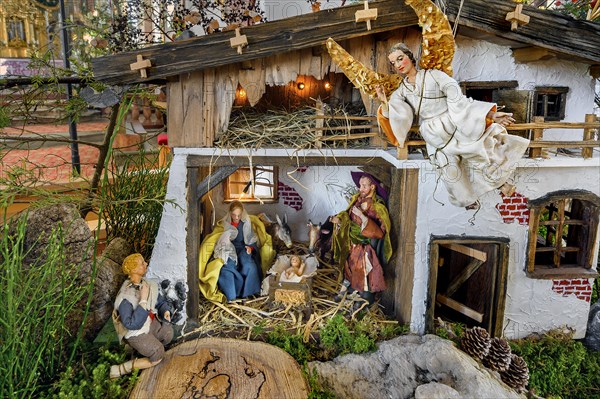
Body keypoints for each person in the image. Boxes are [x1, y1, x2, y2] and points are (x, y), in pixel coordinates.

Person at [375, 43, 530, 209]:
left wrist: (489, 115)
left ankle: (501, 184)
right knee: (446, 166)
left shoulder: (434, 76)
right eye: (393, 63)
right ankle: (466, 199)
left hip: (452, 122)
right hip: (432, 133)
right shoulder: (402, 91)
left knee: (476, 151)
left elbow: (458, 99)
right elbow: (397, 113)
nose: (398, 65)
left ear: (410, 57)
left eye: (400, 58)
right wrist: (385, 102)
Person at [110, 253, 174, 379]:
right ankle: (121, 369)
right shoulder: (125, 297)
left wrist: (165, 310)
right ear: (133, 269)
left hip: (150, 323)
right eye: (142, 263)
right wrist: (143, 299)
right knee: (157, 353)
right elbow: (131, 324)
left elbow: (158, 300)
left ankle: (144, 349)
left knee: (167, 334)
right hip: (137, 333)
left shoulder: (146, 284)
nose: (146, 264)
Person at [331, 172, 392, 302]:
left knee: (364, 270)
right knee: (350, 268)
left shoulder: (378, 206)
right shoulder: (357, 201)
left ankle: (365, 296)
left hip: (366, 246)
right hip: (353, 244)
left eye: (364, 186)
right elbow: (348, 217)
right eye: (360, 186)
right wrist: (340, 220)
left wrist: (363, 216)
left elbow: (381, 231)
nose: (361, 189)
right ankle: (349, 291)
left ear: (373, 187)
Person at [199, 201, 275, 303]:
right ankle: (232, 295)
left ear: (242, 213)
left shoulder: (246, 224)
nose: (236, 217)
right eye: (234, 215)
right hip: (229, 250)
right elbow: (215, 240)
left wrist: (250, 248)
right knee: (227, 267)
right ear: (230, 213)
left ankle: (248, 294)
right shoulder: (223, 225)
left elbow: (252, 240)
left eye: (238, 215)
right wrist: (225, 240)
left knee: (249, 265)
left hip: (243, 249)